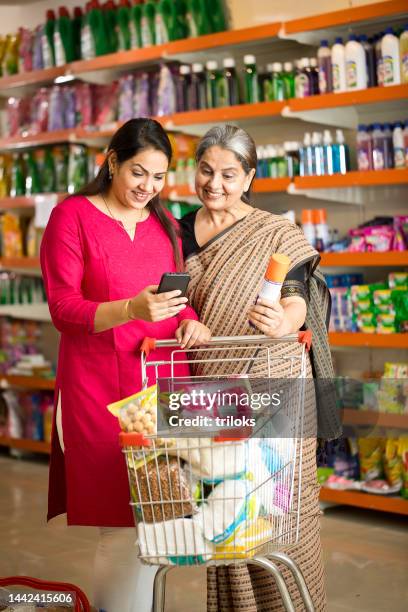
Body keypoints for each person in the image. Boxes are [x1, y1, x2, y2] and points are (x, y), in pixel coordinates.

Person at [40, 118, 210, 612]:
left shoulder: (164, 225)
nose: (147, 188)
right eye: (138, 173)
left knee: (159, 519)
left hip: (158, 385)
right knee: (119, 523)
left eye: (158, 177)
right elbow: (63, 309)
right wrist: (129, 310)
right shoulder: (71, 217)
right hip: (97, 390)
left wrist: (191, 320)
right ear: (112, 161)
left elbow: (175, 297)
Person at [179, 124, 336, 612]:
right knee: (225, 514)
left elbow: (296, 298)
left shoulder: (276, 232)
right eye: (206, 171)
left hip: (272, 379)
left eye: (229, 174)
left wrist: (283, 320)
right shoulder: (175, 229)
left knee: (278, 510)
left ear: (249, 178)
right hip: (208, 387)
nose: (215, 184)